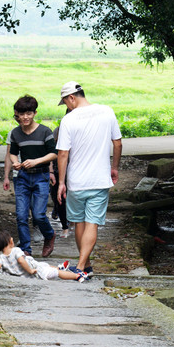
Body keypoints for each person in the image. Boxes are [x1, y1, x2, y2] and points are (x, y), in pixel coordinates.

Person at [56, 82, 122, 277]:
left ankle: (81, 266)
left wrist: (61, 182)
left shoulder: (68, 120)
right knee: (92, 223)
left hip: (77, 182)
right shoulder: (107, 111)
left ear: (71, 98)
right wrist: (115, 168)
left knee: (79, 223)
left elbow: (62, 154)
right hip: (100, 179)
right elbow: (117, 144)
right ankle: (85, 265)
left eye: (65, 102)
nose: (67, 106)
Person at [3, 95, 57, 258]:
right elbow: (12, 153)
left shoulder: (45, 131)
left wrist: (36, 161)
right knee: (21, 215)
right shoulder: (15, 133)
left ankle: (49, 235)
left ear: (35, 113)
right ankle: (26, 248)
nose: (25, 117)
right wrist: (15, 163)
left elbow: (54, 154)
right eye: (21, 114)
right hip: (23, 177)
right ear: (17, 115)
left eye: (29, 113)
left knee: (39, 214)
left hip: (41, 176)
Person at [0, 229, 88, 282]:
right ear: (11, 241)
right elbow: (21, 261)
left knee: (45, 265)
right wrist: (30, 270)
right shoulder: (16, 250)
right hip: (37, 273)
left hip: (26, 276)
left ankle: (60, 267)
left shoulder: (0, 258)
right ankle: (77, 276)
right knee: (56, 273)